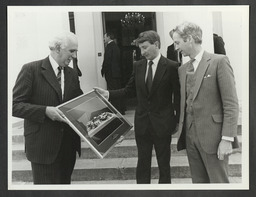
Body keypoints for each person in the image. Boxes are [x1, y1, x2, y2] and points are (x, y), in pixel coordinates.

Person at [96, 30, 180, 184]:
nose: (142, 52)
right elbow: (129, 90)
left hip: (163, 124)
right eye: (140, 48)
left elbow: (178, 97)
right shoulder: (138, 66)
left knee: (164, 165)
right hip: (142, 124)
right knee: (142, 163)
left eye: (145, 47)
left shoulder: (172, 66)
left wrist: (176, 120)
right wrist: (108, 94)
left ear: (156, 44)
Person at [171, 22, 239, 183]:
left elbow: (231, 104)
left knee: (218, 183)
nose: (175, 48)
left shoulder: (219, 62)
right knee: (199, 184)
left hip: (213, 138)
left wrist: (227, 139)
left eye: (177, 42)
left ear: (189, 39)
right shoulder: (182, 69)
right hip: (190, 137)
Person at [12, 32, 83, 184]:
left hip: (68, 146)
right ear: (58, 49)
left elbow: (80, 104)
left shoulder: (72, 73)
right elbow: (15, 106)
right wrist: (45, 111)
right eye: (71, 51)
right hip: (42, 147)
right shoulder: (31, 69)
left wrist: (106, 130)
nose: (74, 55)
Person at [101, 32, 125, 114]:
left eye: (104, 37)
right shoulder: (116, 46)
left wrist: (103, 70)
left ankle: (115, 110)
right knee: (118, 91)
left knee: (112, 92)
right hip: (117, 73)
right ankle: (121, 109)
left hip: (111, 73)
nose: (104, 39)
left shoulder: (109, 47)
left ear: (108, 37)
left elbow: (107, 60)